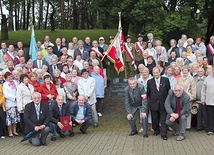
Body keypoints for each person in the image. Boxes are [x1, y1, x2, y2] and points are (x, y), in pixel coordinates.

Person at [147, 67, 170, 140]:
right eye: (154, 73)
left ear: (160, 72)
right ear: (152, 73)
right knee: (155, 118)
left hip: (163, 103)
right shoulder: (150, 82)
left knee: (163, 119)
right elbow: (148, 92)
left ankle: (164, 134)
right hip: (154, 103)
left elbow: (168, 90)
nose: (156, 74)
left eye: (157, 72)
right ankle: (156, 131)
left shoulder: (165, 80)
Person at [3, 72, 20, 137]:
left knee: (15, 118)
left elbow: (17, 91)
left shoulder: (15, 82)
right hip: (9, 104)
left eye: (11, 76)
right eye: (9, 77)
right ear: (6, 78)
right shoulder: (5, 84)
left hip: (16, 103)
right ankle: (10, 132)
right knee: (10, 119)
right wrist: (13, 98)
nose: (10, 78)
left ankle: (14, 131)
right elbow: (6, 94)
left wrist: (17, 97)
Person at [201, 66, 214, 135]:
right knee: (210, 116)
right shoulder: (207, 79)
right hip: (209, 101)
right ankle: (211, 129)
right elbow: (203, 90)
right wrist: (203, 99)